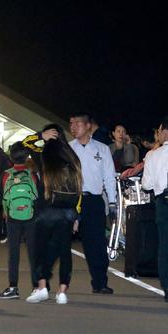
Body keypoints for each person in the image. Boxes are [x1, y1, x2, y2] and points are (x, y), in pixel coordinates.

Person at [25, 128, 82, 305]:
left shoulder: (44, 156)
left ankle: (42, 287)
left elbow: (24, 144)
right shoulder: (73, 159)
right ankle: (62, 291)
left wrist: (40, 136)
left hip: (45, 211)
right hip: (67, 211)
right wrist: (77, 216)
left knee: (38, 250)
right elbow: (79, 189)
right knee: (64, 251)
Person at [69, 112, 116, 294]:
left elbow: (109, 178)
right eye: (71, 124)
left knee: (95, 243)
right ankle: (45, 283)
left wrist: (112, 203)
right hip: (72, 199)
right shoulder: (68, 148)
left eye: (77, 123)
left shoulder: (102, 149)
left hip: (94, 201)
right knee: (60, 241)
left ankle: (100, 282)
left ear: (88, 126)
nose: (73, 127)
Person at [0, 141, 39, 299]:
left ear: (11, 157)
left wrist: (6, 208)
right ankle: (36, 287)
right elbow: (38, 197)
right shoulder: (31, 174)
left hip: (12, 218)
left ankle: (13, 287)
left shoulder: (7, 174)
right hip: (31, 217)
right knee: (33, 253)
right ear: (26, 156)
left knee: (13, 254)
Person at [142, 116, 168, 302]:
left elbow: (147, 185)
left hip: (163, 202)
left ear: (165, 131)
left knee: (165, 246)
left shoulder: (153, 155)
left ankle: (167, 287)